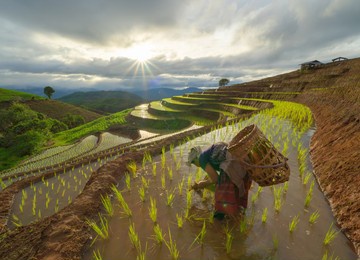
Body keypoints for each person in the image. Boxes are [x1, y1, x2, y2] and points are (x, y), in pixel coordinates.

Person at [187, 142, 252, 219]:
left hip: (231, 165)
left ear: (195, 159)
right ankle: (237, 213)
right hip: (241, 162)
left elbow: (215, 178)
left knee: (221, 193)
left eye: (193, 163)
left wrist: (203, 184)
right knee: (232, 191)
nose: (196, 166)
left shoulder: (202, 159)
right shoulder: (209, 152)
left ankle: (221, 220)